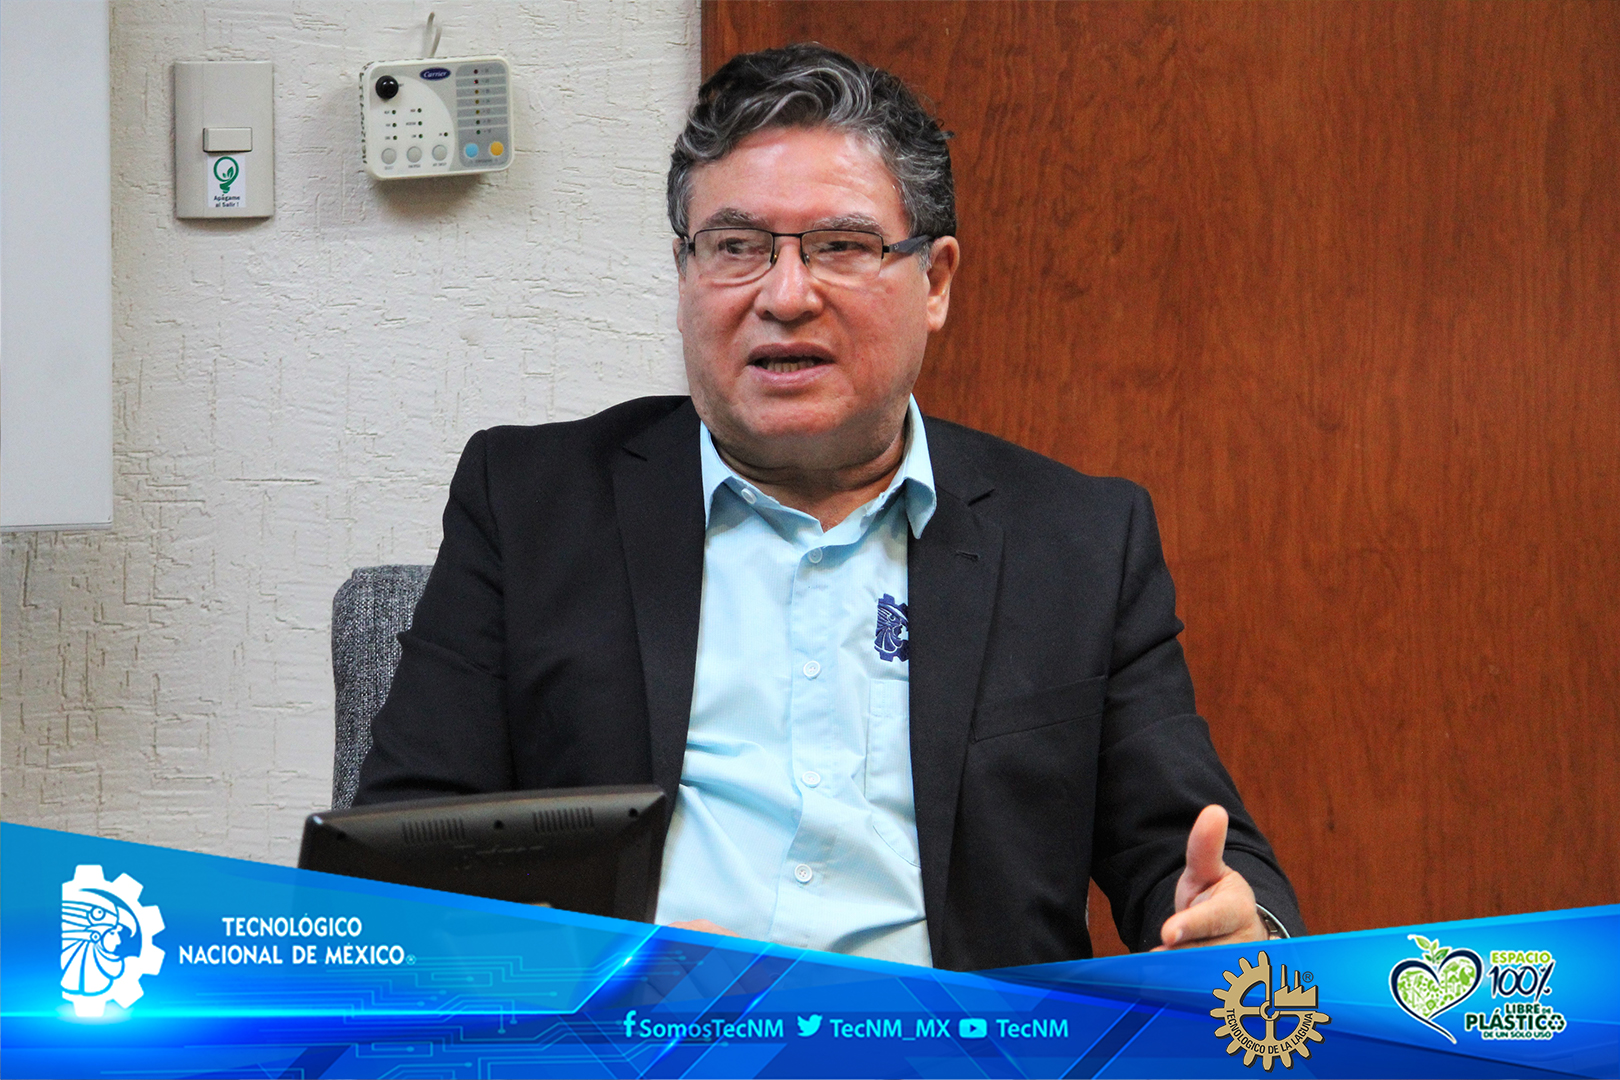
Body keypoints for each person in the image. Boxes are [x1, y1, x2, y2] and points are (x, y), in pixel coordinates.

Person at [356, 43, 1303, 971]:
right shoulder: (530, 502)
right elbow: (399, 858)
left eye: (842, 247)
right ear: (685, 276)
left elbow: (1190, 856)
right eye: (736, 247)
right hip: (641, 1038)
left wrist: (1232, 927)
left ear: (935, 282)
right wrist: (570, 987)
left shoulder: (1079, 541)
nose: (786, 294)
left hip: (954, 1042)